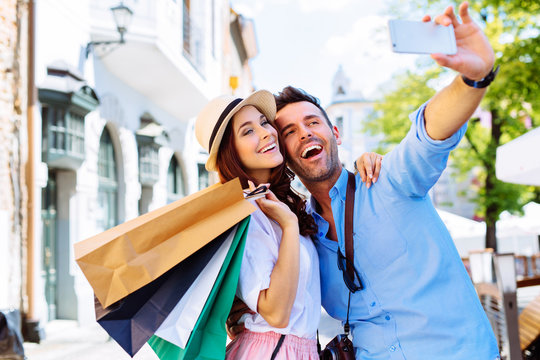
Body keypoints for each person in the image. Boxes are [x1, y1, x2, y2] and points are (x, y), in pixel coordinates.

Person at [230, 2, 501, 359]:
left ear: (335, 133)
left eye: (313, 122)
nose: (305, 134)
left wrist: (474, 79)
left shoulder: (390, 181)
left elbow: (429, 134)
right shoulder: (304, 238)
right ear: (284, 155)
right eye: (289, 132)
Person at [195, 90, 380, 358]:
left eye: (264, 122)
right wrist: (290, 225)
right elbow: (277, 313)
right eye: (247, 132)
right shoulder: (244, 214)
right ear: (230, 152)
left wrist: (366, 161)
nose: (267, 133)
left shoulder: (280, 205)